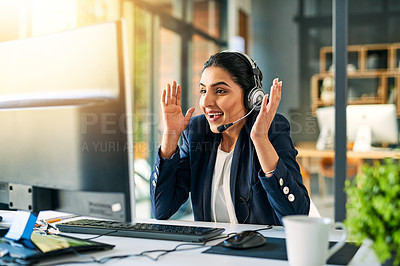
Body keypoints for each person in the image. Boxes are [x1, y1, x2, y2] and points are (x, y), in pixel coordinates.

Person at [150, 51, 310, 225]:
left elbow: (297, 214)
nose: (206, 102)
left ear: (251, 97)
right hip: (209, 249)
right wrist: (170, 136)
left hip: (259, 249)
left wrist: (260, 139)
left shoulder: (272, 128)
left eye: (220, 91)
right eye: (203, 91)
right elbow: (161, 209)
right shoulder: (197, 132)